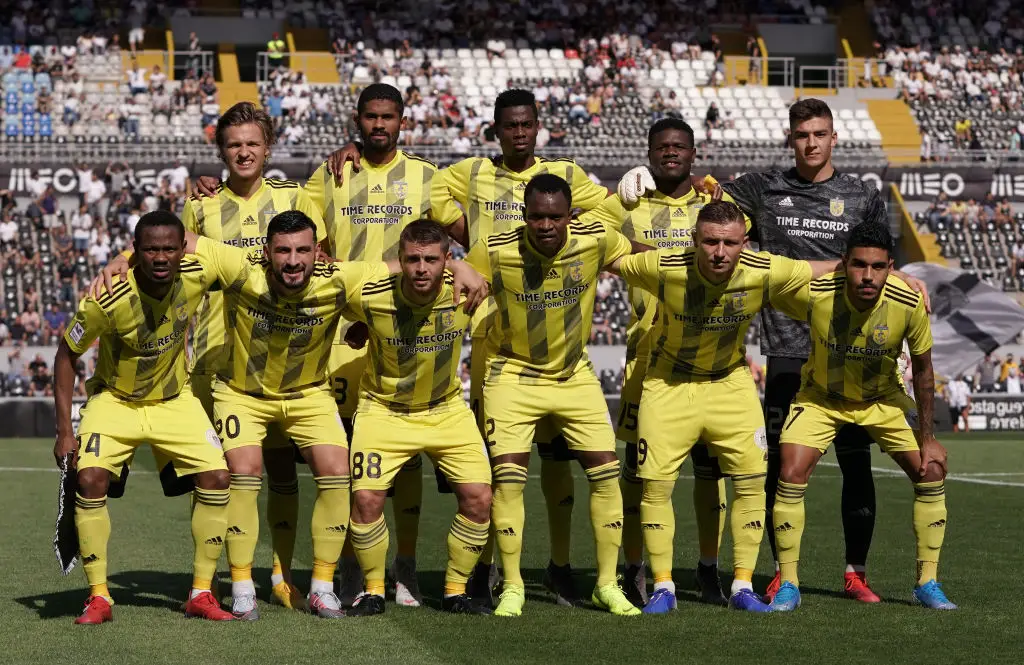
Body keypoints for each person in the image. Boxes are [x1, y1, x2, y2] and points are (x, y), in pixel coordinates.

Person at [616, 98, 931, 604]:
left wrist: (901, 280)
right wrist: (645, 176)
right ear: (791, 138)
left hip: (852, 346)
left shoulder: (861, 194)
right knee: (774, 469)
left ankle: (856, 571)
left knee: (856, 464)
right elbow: (706, 202)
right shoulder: (762, 187)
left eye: (820, 134)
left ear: (834, 138)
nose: (811, 143)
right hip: (787, 347)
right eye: (802, 134)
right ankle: (776, 573)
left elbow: (879, 258)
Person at [325, 87, 613, 607]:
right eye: (510, 125)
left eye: (527, 124)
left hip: (523, 329)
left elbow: (612, 216)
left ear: (538, 126)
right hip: (482, 330)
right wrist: (462, 257)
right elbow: (440, 215)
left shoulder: (566, 176)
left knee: (537, 462)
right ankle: (398, 573)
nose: (519, 133)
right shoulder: (464, 172)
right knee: (392, 466)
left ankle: (529, 570)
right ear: (496, 129)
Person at [95, 102, 327, 612]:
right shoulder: (200, 204)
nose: (243, 152)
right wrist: (121, 254)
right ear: (220, 151)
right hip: (215, 360)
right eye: (232, 144)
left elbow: (319, 259)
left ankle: (280, 574)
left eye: (251, 143)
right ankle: (219, 578)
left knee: (282, 472)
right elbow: (165, 250)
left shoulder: (296, 197)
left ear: (268, 147)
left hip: (283, 355)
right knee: (220, 477)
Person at [604, 200, 850, 613]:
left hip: (730, 385)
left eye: (730, 243)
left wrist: (895, 274)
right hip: (668, 384)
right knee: (656, 487)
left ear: (745, 244)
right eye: (711, 242)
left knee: (753, 481)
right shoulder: (663, 266)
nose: (720, 252)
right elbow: (609, 254)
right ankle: (664, 587)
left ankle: (740, 585)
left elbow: (822, 268)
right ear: (694, 241)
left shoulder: (762, 268)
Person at [579, 117, 748, 607]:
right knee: (638, 474)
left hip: (709, 357)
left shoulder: (713, 203)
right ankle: (637, 566)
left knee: (710, 472)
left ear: (694, 153)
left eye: (680, 147)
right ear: (649, 153)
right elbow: (586, 229)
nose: (671, 154)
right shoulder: (629, 203)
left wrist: (714, 187)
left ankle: (709, 567)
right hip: (646, 357)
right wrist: (614, 193)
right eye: (661, 147)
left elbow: (745, 226)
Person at [463, 173, 641, 618]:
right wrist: (456, 268)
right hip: (512, 374)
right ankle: (513, 585)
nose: (546, 225)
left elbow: (641, 260)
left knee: (606, 472)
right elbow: (456, 275)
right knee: (508, 479)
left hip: (572, 375)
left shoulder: (595, 239)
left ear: (570, 216)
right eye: (537, 216)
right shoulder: (498, 248)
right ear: (524, 216)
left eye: (555, 217)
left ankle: (605, 583)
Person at [52, 211, 235, 624]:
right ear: (135, 252)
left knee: (218, 477)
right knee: (90, 477)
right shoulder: (107, 296)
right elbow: (66, 355)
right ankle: (99, 596)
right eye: (151, 249)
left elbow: (245, 274)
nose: (161, 257)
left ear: (182, 249)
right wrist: (65, 431)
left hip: (175, 400)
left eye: (170, 248)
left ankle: (202, 593)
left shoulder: (196, 274)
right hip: (116, 401)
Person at [768, 222, 956, 612]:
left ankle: (927, 582)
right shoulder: (815, 292)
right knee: (789, 470)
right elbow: (766, 279)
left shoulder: (908, 302)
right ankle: (788, 583)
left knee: (931, 470)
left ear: (891, 267)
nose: (867, 276)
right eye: (858, 265)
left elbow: (923, 369)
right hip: (820, 398)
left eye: (877, 267)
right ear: (843, 264)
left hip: (881, 400)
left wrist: (928, 437)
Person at [344, 220, 493, 616]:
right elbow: (330, 277)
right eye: (412, 259)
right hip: (382, 411)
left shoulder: (466, 292)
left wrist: (462, 266)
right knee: (365, 500)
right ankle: (373, 590)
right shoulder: (372, 296)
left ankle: (455, 590)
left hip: (446, 411)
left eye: (431, 259)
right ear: (400, 260)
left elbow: (500, 266)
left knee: (479, 499)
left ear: (446, 260)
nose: (421, 269)